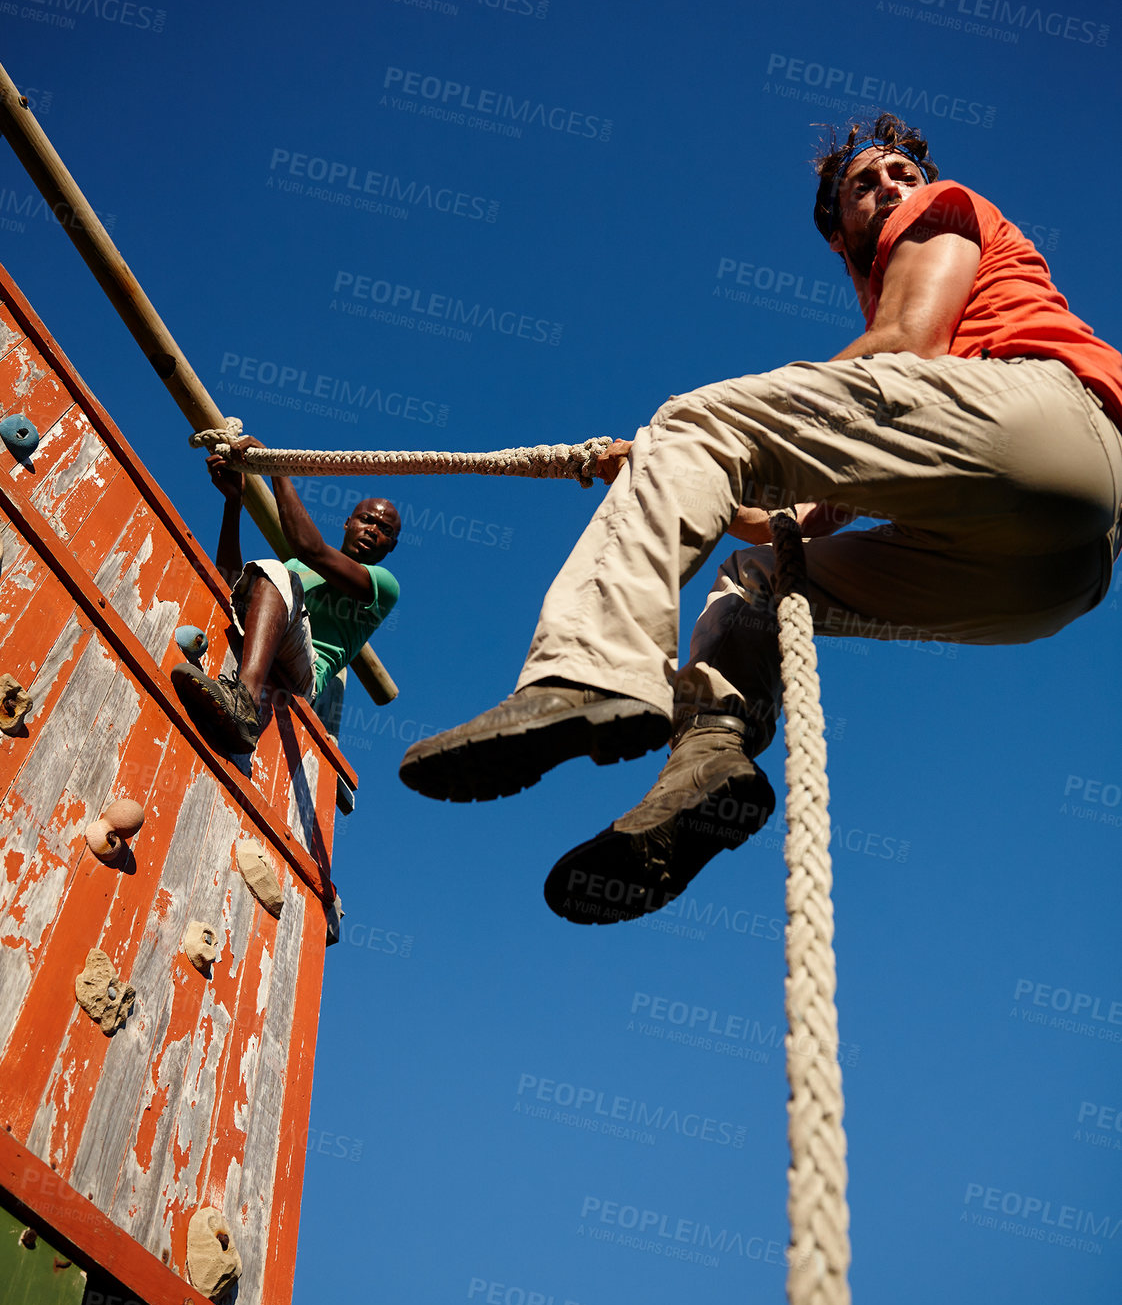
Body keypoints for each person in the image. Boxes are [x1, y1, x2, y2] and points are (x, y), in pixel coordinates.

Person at [398, 113, 1122, 924]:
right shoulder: (916, 408)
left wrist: (682, 447)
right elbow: (803, 515)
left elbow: (907, 344)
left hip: (1046, 422)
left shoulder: (943, 209)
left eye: (899, 174)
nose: (892, 187)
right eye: (865, 184)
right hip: (1052, 575)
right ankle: (710, 758)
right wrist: (683, 481)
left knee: (694, 420)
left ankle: (589, 673)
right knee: (752, 585)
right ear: (835, 229)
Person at [173, 434, 401, 754]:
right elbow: (231, 587)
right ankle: (242, 694)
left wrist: (276, 467)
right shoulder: (291, 569)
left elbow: (311, 549)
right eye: (367, 520)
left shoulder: (383, 585)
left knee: (281, 575)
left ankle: (245, 704)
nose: (374, 530)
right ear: (348, 523)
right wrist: (233, 503)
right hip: (267, 643)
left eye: (385, 530)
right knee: (270, 575)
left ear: (391, 546)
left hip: (302, 676)